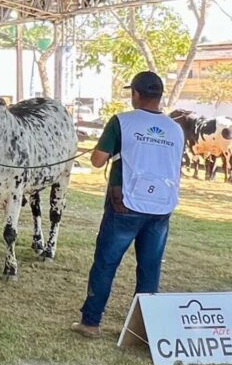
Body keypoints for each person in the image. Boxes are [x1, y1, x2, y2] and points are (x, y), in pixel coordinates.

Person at [71, 71, 184, 338]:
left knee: (106, 263)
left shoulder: (122, 121)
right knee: (150, 267)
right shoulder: (175, 128)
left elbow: (98, 160)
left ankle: (90, 322)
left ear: (135, 94)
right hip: (161, 208)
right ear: (160, 95)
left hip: (126, 204)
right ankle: (144, 331)